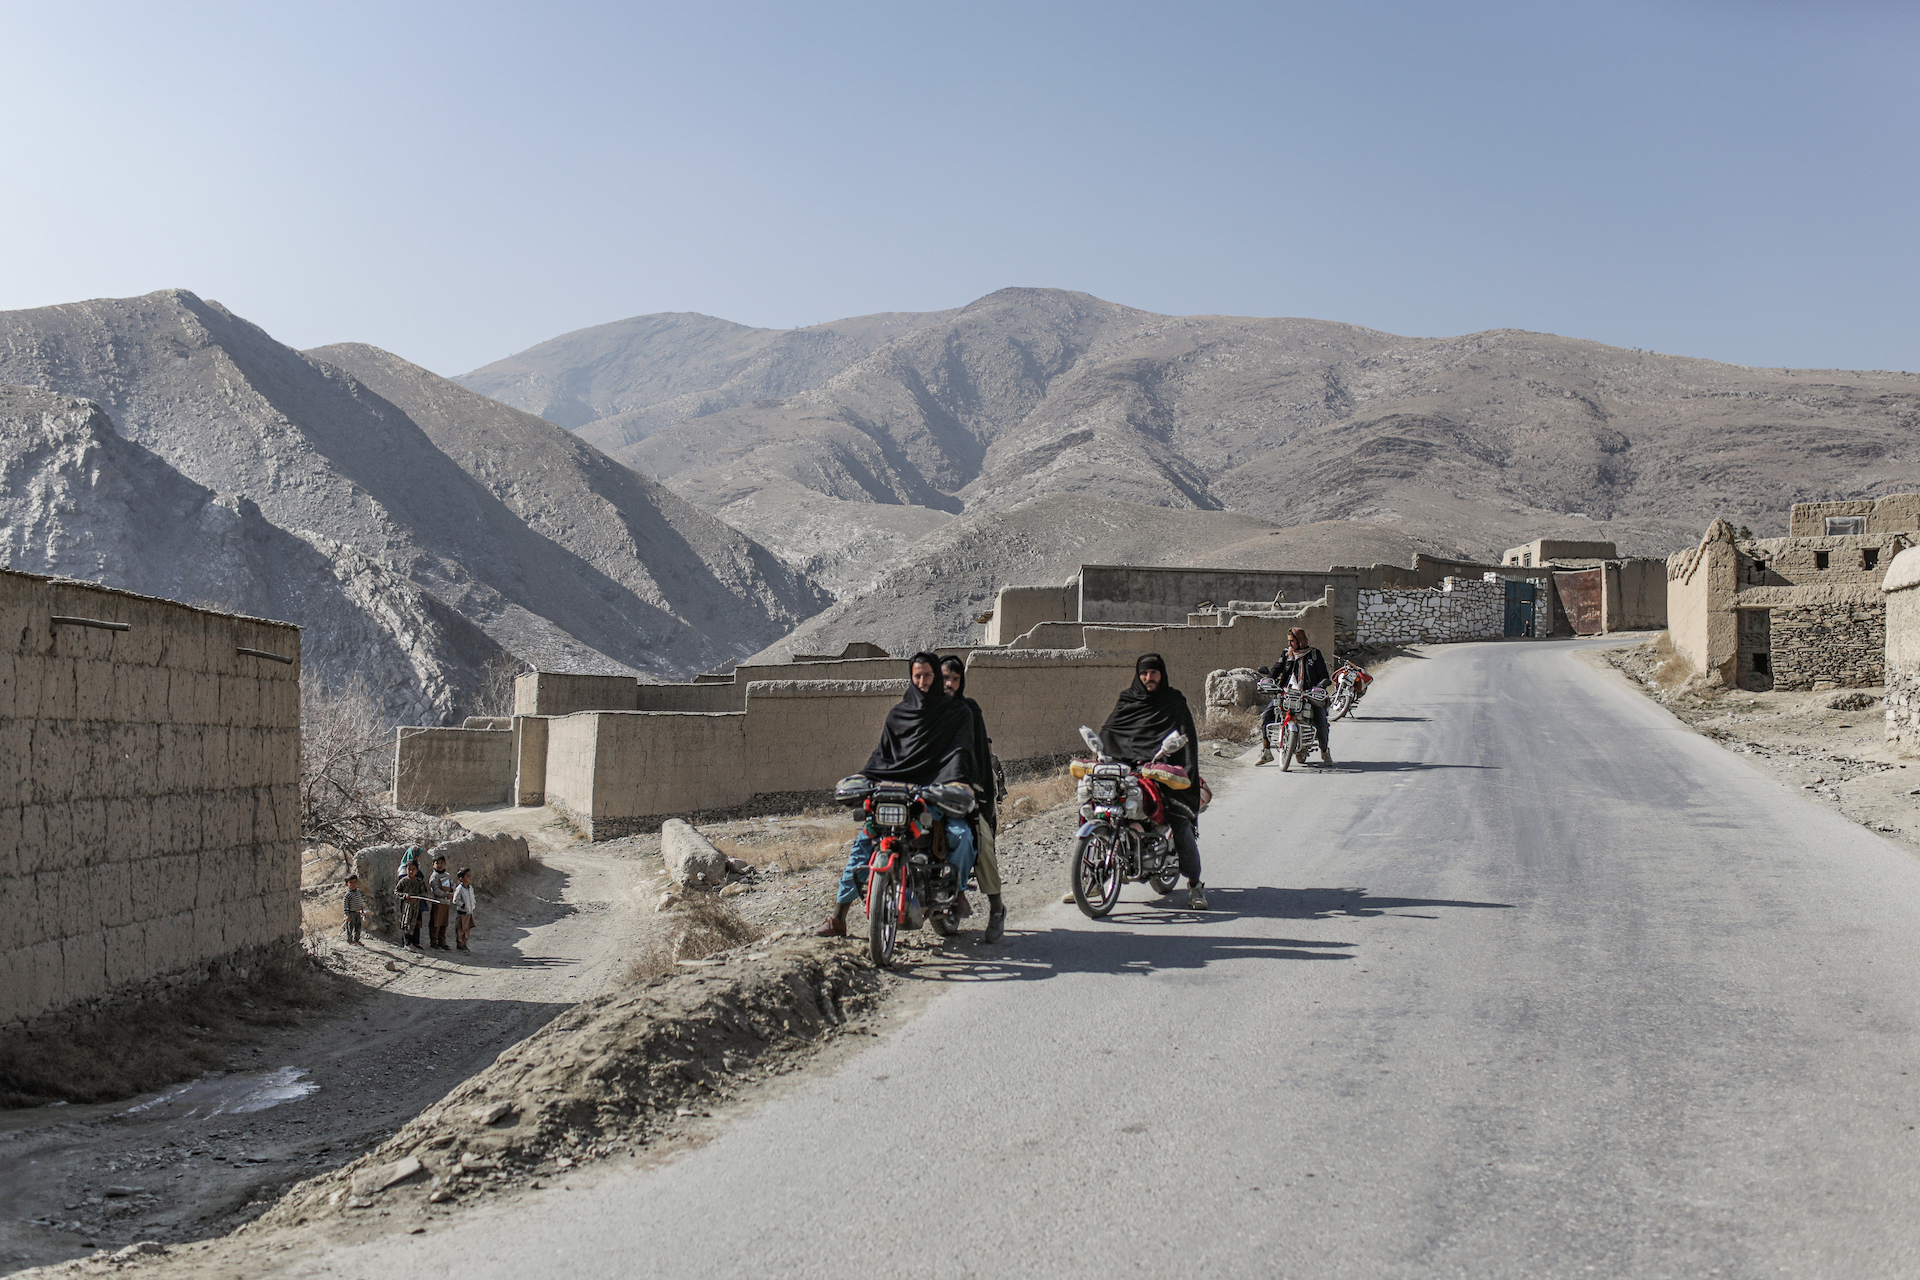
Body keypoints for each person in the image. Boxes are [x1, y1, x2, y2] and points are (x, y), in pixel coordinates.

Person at [816, 652, 978, 938]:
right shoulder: (898, 714)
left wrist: (954, 783)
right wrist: (865, 777)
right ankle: (838, 916)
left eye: (928, 675)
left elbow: (959, 753)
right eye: (917, 675)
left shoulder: (956, 713)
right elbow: (882, 756)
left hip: (934, 794)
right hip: (893, 797)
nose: (923, 681)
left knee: (961, 839)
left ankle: (955, 892)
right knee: (863, 845)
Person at [1100, 654, 1208, 910]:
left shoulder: (1173, 702)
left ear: (1162, 674)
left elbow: (1185, 739)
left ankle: (1194, 886)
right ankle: (1093, 880)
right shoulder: (1128, 700)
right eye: (1144, 674)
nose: (1149, 678)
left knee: (1180, 822)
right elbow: (1111, 731)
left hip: (1164, 773)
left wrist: (1176, 769)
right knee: (1100, 809)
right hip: (1129, 772)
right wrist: (1102, 754)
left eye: (1154, 673)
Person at [941, 655, 1005, 943]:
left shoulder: (970, 711)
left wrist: (976, 792)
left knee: (981, 840)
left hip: (965, 794)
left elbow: (977, 757)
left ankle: (995, 907)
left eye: (955, 679)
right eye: (945, 678)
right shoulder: (926, 712)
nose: (950, 684)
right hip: (930, 795)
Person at [1257, 627, 1334, 766]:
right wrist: (1269, 680)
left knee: (1321, 719)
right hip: (1287, 693)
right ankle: (1266, 751)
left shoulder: (1314, 654)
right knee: (1267, 715)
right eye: (1289, 641)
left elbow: (1323, 675)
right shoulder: (1287, 654)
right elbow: (1276, 669)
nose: (1290, 644)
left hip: (1308, 694)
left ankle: (1325, 750)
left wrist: (1320, 686)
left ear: (1300, 640)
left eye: (1292, 641)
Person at [395, 856, 428, 950]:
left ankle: (414, 942)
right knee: (406, 922)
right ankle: (406, 943)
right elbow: (396, 892)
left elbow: (423, 893)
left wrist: (417, 897)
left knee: (414, 923)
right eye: (409, 869)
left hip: (416, 906)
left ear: (417, 870)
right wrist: (405, 896)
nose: (411, 871)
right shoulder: (403, 881)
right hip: (406, 906)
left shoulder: (419, 882)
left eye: (413, 869)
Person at [427, 855, 455, 951]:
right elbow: (435, 890)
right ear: (433, 865)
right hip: (437, 902)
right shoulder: (434, 877)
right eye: (437, 863)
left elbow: (453, 885)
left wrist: (451, 890)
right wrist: (445, 894)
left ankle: (442, 942)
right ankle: (434, 942)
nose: (439, 865)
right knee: (436, 923)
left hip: (446, 903)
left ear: (445, 863)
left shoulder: (447, 875)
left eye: (441, 863)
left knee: (444, 923)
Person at [452, 868, 477, 952]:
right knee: (460, 928)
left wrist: (473, 905)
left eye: (470, 876)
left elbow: (472, 898)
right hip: (462, 912)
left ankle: (465, 943)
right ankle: (460, 944)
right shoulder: (459, 889)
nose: (470, 877)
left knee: (467, 928)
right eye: (467, 876)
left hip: (469, 912)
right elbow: (455, 900)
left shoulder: (470, 888)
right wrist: (463, 905)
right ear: (461, 879)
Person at [342, 874, 366, 946]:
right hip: (351, 913)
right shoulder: (348, 894)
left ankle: (357, 940)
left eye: (355, 882)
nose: (353, 884)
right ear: (347, 884)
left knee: (358, 927)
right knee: (350, 927)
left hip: (357, 913)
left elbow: (360, 901)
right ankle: (349, 940)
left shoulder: (358, 892)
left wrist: (361, 910)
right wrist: (346, 915)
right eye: (351, 882)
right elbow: (345, 905)